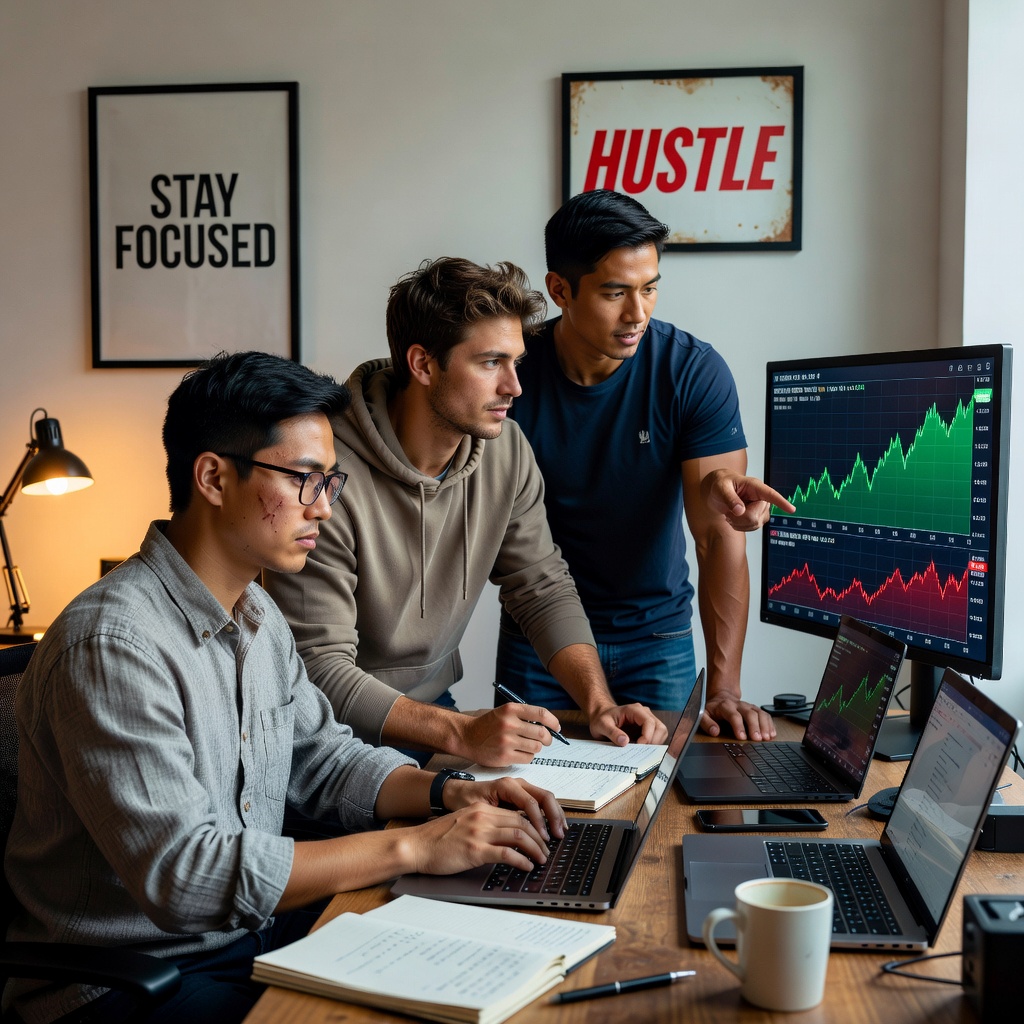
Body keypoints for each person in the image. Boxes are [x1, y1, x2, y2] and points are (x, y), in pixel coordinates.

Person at [3, 351, 566, 1024]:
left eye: (331, 482)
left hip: (245, 940)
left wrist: (449, 792)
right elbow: (188, 874)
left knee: (480, 960)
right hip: (120, 986)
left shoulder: (259, 615)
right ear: (213, 477)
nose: (324, 509)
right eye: (303, 480)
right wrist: (415, 843)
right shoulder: (112, 645)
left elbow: (322, 757)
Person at [265, 258, 666, 769]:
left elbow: (540, 584)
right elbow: (318, 668)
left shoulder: (506, 450)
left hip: (432, 709)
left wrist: (598, 703)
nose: (514, 387)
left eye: (516, 363)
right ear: (424, 364)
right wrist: (460, 733)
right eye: (490, 363)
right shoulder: (324, 472)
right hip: (330, 733)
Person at [496, 190, 794, 741]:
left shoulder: (692, 372)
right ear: (560, 289)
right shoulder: (510, 374)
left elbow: (718, 538)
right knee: (529, 812)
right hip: (537, 639)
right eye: (615, 293)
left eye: (650, 289)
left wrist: (726, 688)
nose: (638, 314)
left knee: (669, 813)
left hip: (657, 644)